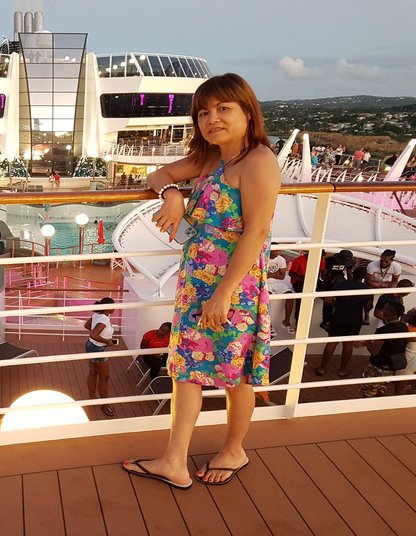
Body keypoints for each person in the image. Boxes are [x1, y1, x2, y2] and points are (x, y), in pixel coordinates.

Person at [122, 73, 280, 488]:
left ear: (248, 112)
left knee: (236, 374)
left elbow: (256, 233)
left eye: (223, 109)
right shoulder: (212, 159)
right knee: (185, 369)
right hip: (195, 283)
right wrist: (172, 193)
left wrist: (224, 294)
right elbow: (159, 174)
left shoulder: (259, 161)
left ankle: (235, 450)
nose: (212, 119)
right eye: (204, 113)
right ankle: (174, 461)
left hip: (235, 288)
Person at [315, 266, 372, 377]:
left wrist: (338, 305)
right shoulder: (366, 289)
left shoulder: (341, 284)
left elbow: (328, 300)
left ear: (353, 273)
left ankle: (322, 368)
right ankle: (342, 370)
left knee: (332, 342)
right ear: (364, 277)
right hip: (355, 318)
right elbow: (368, 306)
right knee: (348, 344)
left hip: (339, 316)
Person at [358, 302, 408, 398]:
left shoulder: (384, 330)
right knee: (381, 389)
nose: (382, 311)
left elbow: (374, 351)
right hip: (391, 366)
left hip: (378, 366)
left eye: (386, 309)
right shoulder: (404, 327)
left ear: (392, 314)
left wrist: (366, 341)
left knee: (369, 392)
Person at [84, 297, 118, 418]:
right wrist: (107, 341)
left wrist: (101, 335)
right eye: (113, 306)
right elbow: (93, 334)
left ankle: (92, 397)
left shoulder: (97, 315)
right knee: (105, 377)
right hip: (98, 348)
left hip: (91, 346)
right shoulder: (104, 319)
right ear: (108, 307)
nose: (115, 308)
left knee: (93, 372)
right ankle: (104, 405)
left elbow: (87, 325)